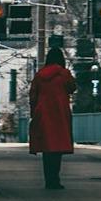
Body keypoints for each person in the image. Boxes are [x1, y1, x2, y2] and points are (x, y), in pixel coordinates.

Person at [28, 47, 76, 189]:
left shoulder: (39, 75)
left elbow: (33, 96)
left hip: (43, 114)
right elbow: (72, 88)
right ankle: (55, 179)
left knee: (47, 148)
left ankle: (48, 180)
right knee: (57, 148)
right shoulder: (64, 74)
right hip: (60, 114)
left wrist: (34, 113)